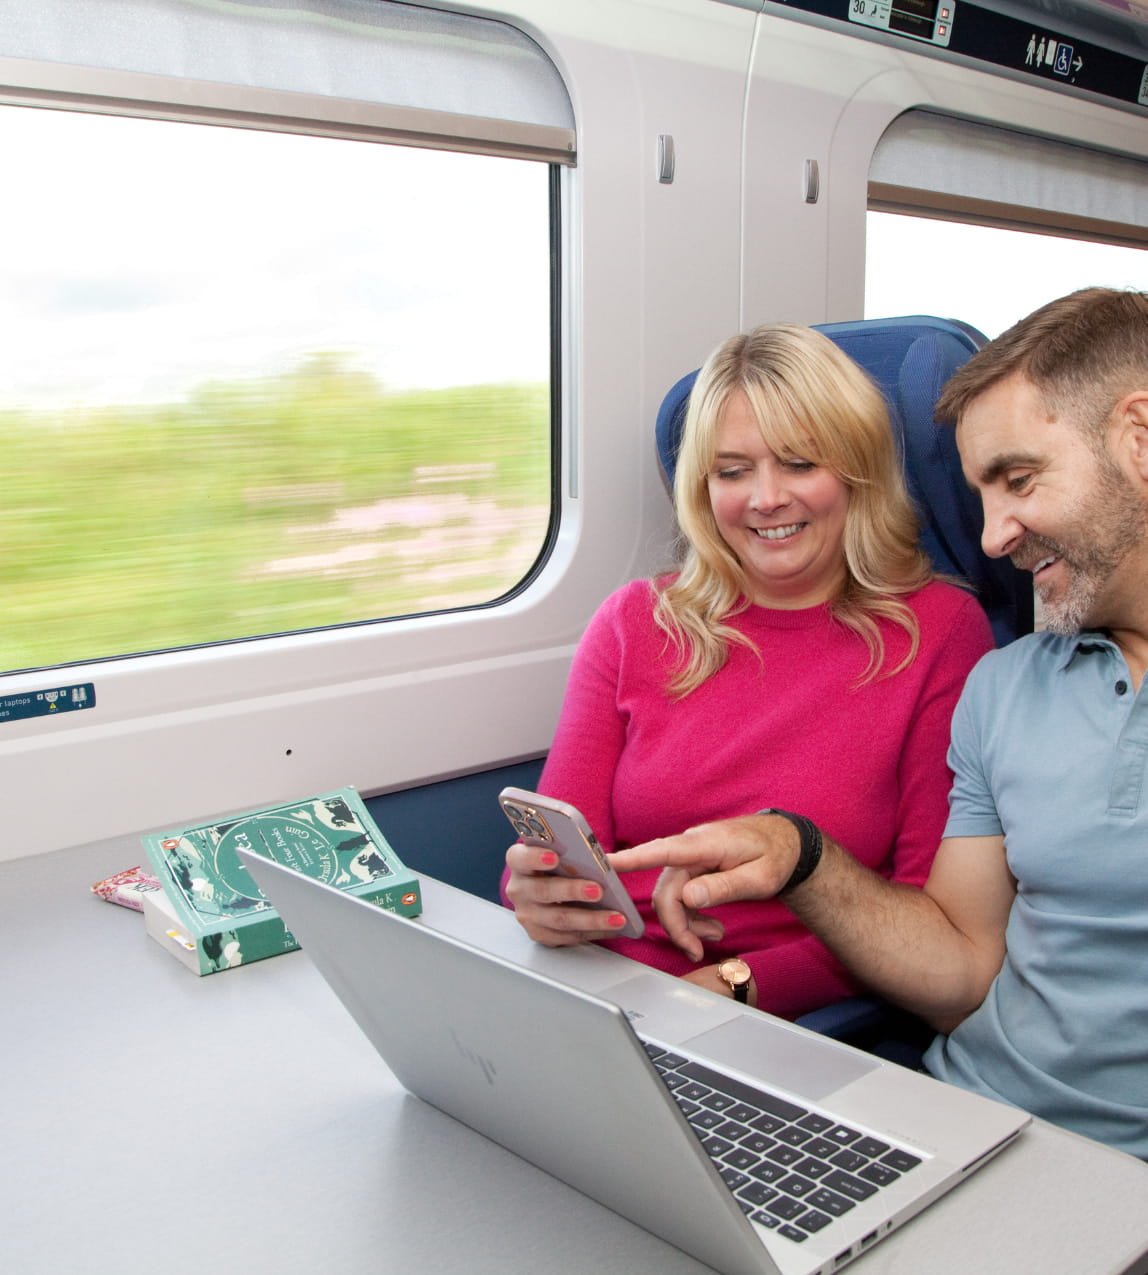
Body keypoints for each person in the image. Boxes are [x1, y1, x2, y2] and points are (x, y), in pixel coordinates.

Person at [611, 287, 1148, 1161]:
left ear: (1139, 438)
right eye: (978, 495)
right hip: (947, 1110)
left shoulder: (944, 636)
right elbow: (962, 975)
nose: (991, 539)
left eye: (1018, 480)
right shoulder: (1006, 687)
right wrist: (802, 855)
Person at [503, 322, 993, 1019]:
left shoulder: (938, 631)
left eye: (799, 463)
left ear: (857, 470)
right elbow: (562, 851)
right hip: (598, 992)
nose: (765, 498)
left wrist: (725, 988)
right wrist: (537, 898)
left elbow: (923, 921)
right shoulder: (634, 621)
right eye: (732, 471)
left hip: (774, 1014)